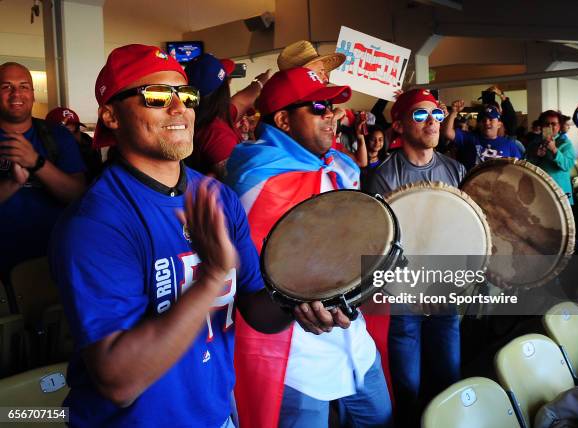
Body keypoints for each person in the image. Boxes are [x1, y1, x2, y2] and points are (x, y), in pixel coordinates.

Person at [49, 44, 334, 428]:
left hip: (215, 415)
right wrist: (212, 278)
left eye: (186, 95)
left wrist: (298, 300)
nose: (178, 107)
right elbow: (118, 380)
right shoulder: (96, 224)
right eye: (155, 96)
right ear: (111, 116)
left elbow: (256, 308)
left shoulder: (217, 197)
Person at [226, 67, 393, 428]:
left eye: (332, 107)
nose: (331, 115)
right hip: (297, 357)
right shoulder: (258, 181)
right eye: (319, 106)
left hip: (355, 341)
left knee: (380, 417)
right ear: (284, 120)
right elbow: (255, 286)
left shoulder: (341, 167)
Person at [363, 89, 464, 427]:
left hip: (446, 292)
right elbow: (378, 243)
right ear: (400, 124)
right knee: (409, 386)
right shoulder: (384, 176)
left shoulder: (456, 170)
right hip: (404, 297)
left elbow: (468, 229)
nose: (432, 121)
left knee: (448, 375)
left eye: (436, 113)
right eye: (420, 115)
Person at [0, 62, 86, 277]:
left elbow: (77, 195)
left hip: (53, 257)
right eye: (6, 86)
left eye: (23, 86)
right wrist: (13, 183)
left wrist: (36, 162)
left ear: (32, 93)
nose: (16, 94)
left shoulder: (57, 135)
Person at [185, 53, 270, 179]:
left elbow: (242, 101)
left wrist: (259, 82)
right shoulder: (215, 135)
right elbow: (243, 182)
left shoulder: (212, 115)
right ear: (223, 89)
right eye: (228, 79)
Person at [442, 99, 523, 171]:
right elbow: (447, 132)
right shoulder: (469, 138)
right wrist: (454, 112)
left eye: (491, 119)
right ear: (479, 124)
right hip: (472, 186)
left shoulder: (509, 144)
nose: (487, 122)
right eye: (483, 120)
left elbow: (519, 170)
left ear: (499, 124)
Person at [526, 110, 575, 204]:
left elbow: (567, 165)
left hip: (560, 193)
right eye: (546, 124)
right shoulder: (534, 144)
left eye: (553, 124)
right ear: (541, 126)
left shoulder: (566, 144)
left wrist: (554, 150)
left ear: (559, 126)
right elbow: (526, 165)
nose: (550, 126)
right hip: (539, 191)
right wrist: (536, 156)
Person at [45, 106, 103, 182]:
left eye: (76, 131)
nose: (72, 138)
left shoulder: (91, 149)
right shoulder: (42, 156)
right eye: (65, 132)